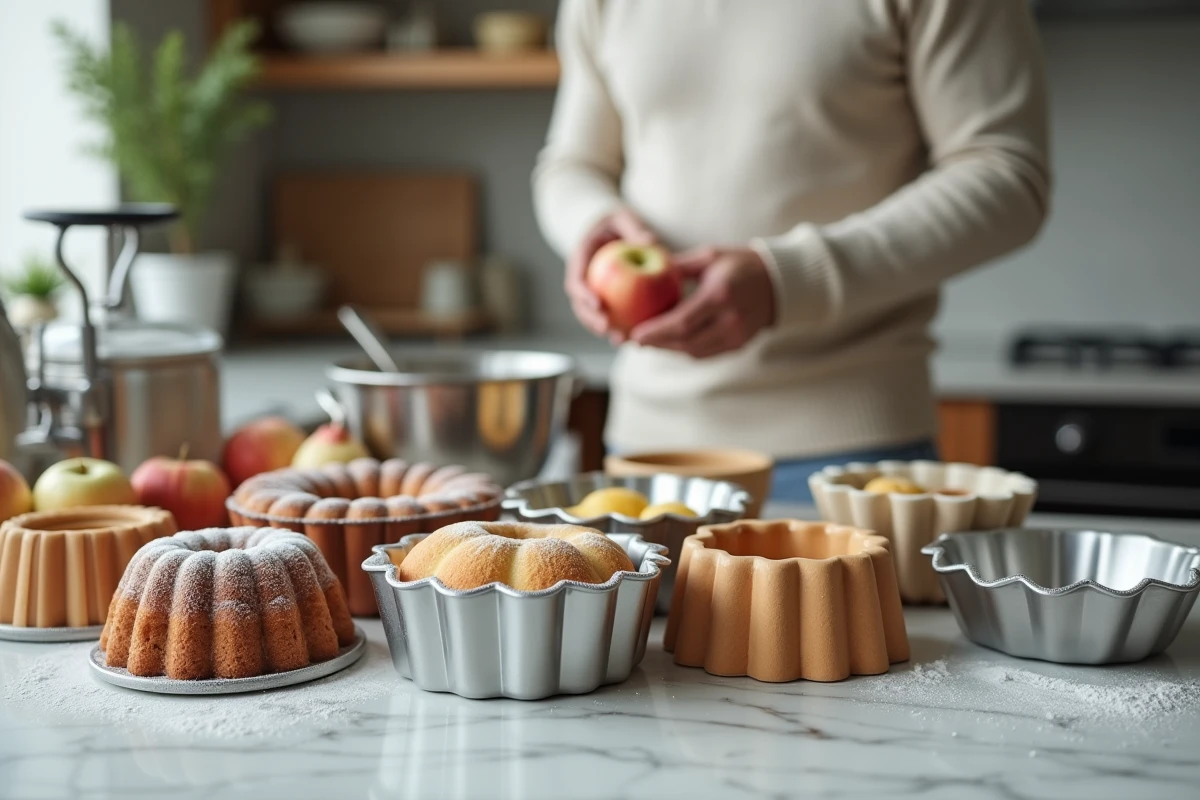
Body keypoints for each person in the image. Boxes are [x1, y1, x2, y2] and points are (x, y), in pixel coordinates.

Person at [533, 0, 1050, 502]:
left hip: (853, 457)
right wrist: (592, 226)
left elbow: (1006, 173)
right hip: (648, 452)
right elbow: (574, 163)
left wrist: (789, 282)